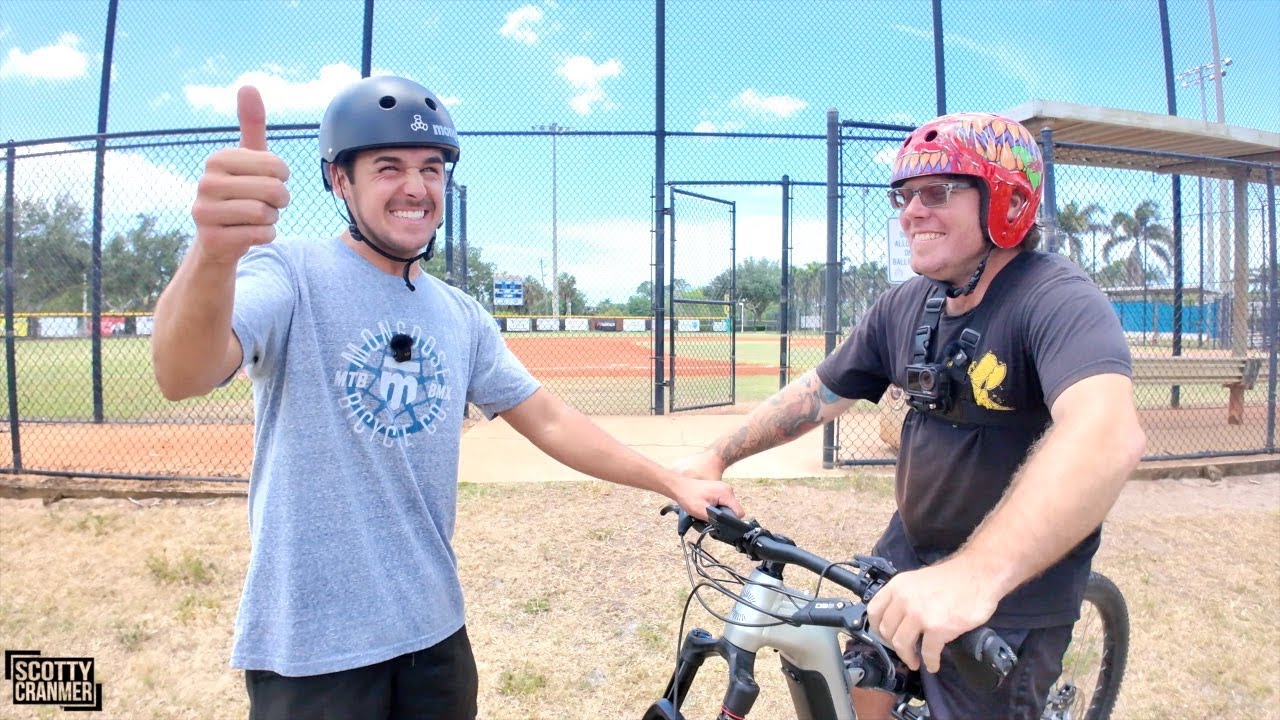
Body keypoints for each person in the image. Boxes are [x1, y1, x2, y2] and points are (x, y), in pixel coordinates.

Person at [150, 76, 742, 720]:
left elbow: (547, 418)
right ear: (339, 180)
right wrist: (212, 255)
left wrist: (670, 481)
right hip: (313, 649)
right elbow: (184, 372)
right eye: (388, 167)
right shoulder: (289, 274)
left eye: (431, 168)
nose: (416, 187)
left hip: (434, 637)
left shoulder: (460, 316)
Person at [673, 112, 1146, 720]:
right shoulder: (906, 304)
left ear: (1007, 198)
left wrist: (973, 577)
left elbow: (1106, 433)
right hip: (904, 565)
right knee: (856, 695)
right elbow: (820, 391)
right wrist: (717, 454)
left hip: (1009, 593)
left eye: (938, 191)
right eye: (905, 195)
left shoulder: (1055, 298)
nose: (911, 212)